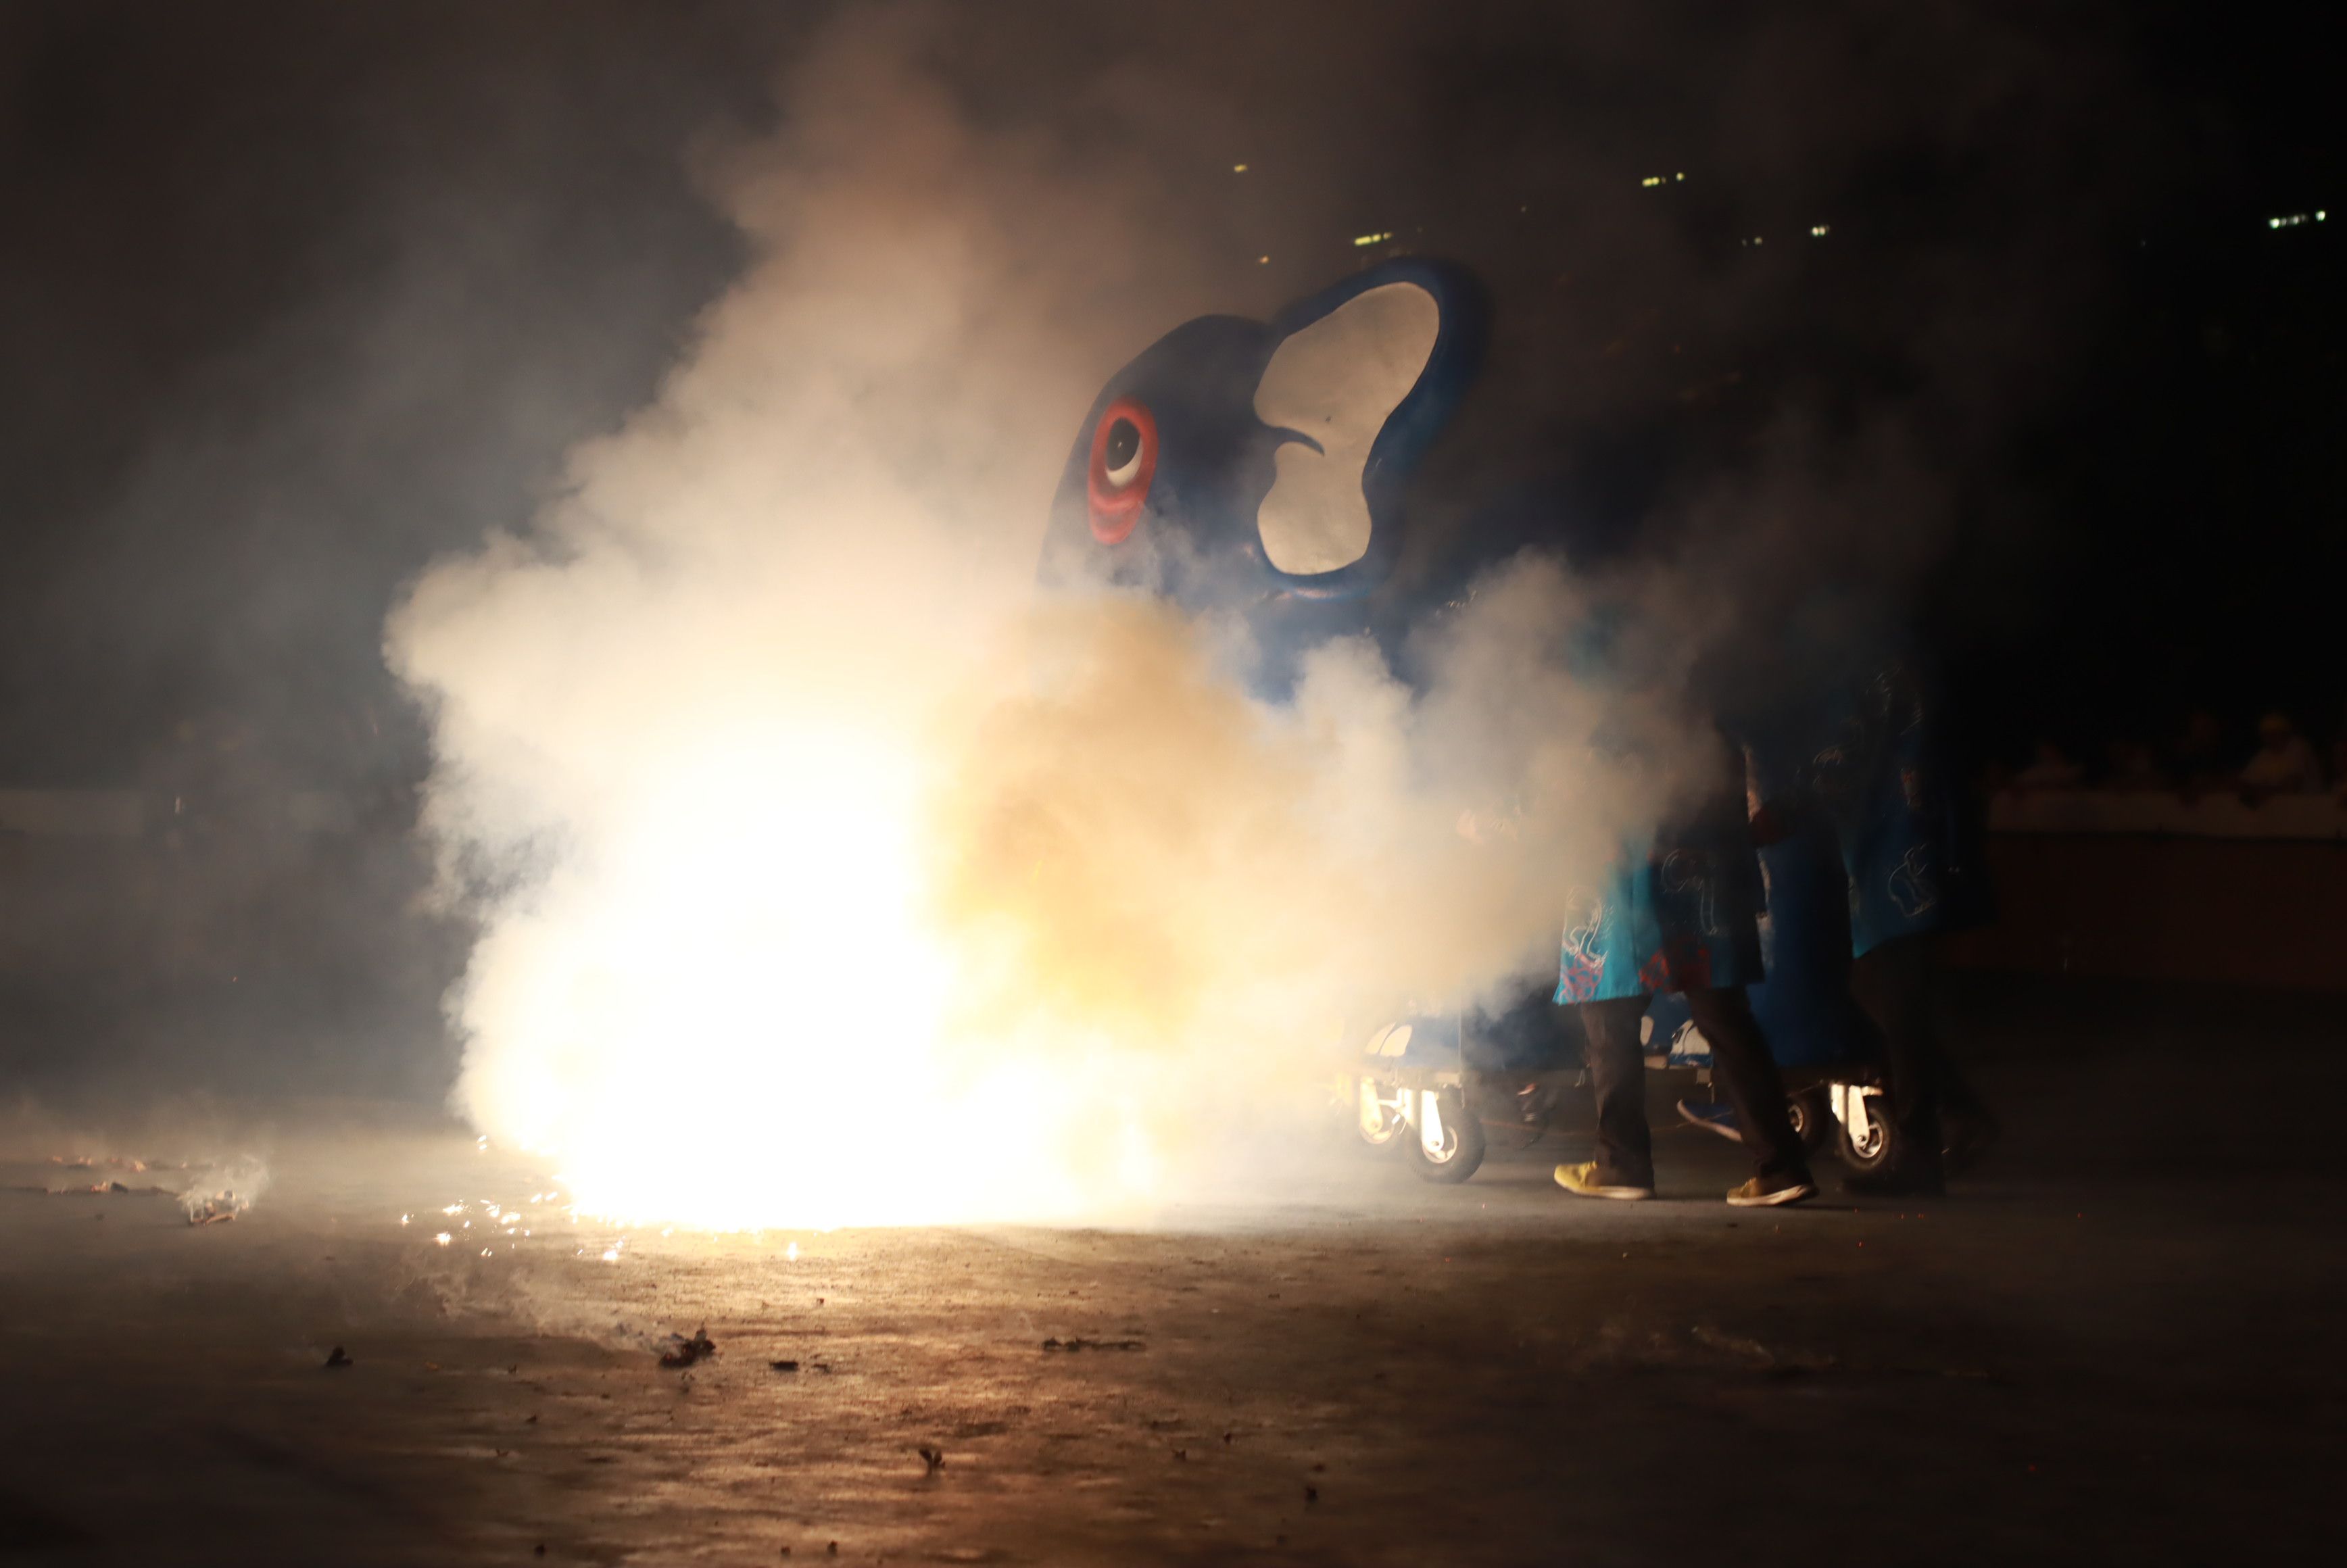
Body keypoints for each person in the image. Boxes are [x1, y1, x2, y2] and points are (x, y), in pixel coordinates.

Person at [1553, 727, 1818, 1208]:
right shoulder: (1709, 679)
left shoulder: (1603, 677)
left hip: (1628, 865)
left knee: (1609, 1010)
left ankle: (1621, 1165)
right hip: (1705, 863)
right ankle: (1780, 1166)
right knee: (1724, 1015)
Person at [2238, 712, 2323, 798]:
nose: (2270, 739)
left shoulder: (2299, 747)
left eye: (2275, 733)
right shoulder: (2264, 754)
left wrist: (2262, 791)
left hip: (2309, 804)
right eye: (2267, 735)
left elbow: (2293, 785)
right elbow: (2245, 783)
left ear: (2286, 734)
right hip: (2282, 806)